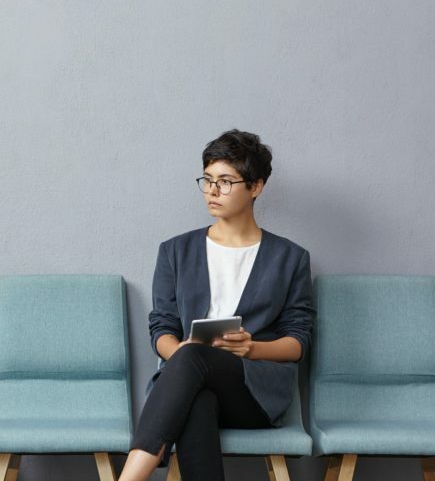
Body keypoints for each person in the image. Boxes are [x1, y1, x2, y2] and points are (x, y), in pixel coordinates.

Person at [118, 129, 315, 481]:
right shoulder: (175, 251)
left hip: (253, 392)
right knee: (197, 397)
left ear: (255, 187)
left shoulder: (290, 258)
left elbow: (298, 342)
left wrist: (252, 348)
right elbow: (161, 327)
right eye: (207, 180)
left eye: (225, 182)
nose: (212, 191)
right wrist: (182, 351)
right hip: (188, 384)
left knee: (191, 359)